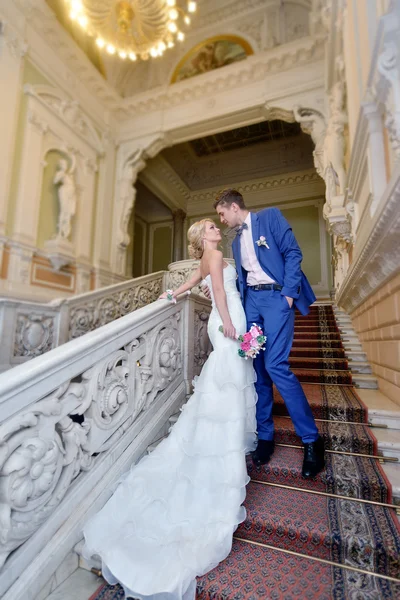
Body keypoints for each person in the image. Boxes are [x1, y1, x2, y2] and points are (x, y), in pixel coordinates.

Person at [83, 219, 257, 600]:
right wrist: (230, 325)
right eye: (211, 225)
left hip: (226, 323)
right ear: (202, 237)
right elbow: (221, 297)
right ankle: (220, 450)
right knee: (226, 386)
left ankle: (214, 442)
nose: (215, 228)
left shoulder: (211, 257)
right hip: (227, 324)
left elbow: (191, 284)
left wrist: (171, 296)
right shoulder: (213, 254)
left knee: (224, 385)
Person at [213, 188, 325, 478]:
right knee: (258, 369)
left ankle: (312, 441)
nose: (222, 220)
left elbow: (292, 252)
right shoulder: (236, 242)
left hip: (277, 298)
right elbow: (242, 277)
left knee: (276, 366)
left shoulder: (271, 217)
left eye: (222, 214)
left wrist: (288, 295)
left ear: (234, 207)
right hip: (253, 304)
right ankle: (265, 437)